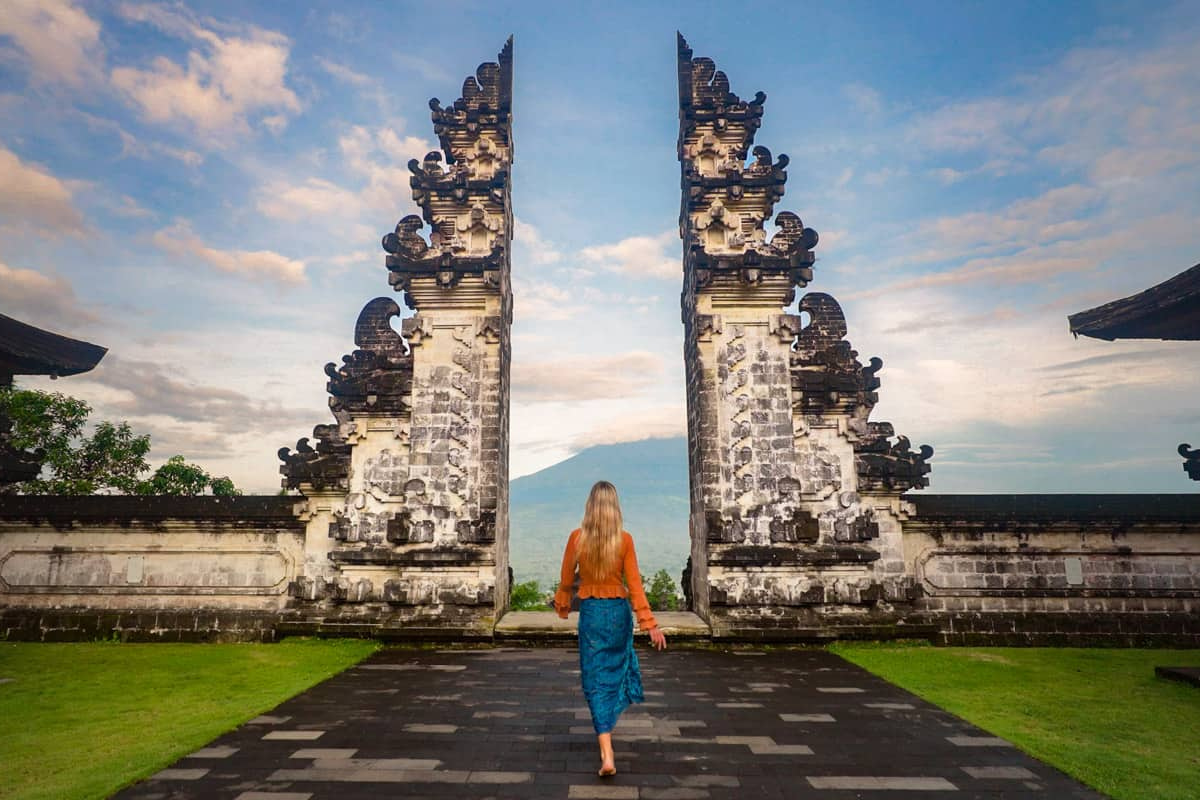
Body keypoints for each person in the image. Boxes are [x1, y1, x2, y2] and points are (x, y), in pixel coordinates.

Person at [554, 480, 667, 777]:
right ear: (615, 507)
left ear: (590, 506)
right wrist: (650, 624)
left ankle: (607, 753)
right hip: (619, 615)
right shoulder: (625, 540)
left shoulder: (577, 538)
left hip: (591, 615)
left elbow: (566, 579)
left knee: (594, 678)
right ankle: (608, 733)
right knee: (615, 669)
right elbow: (636, 586)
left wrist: (563, 604)